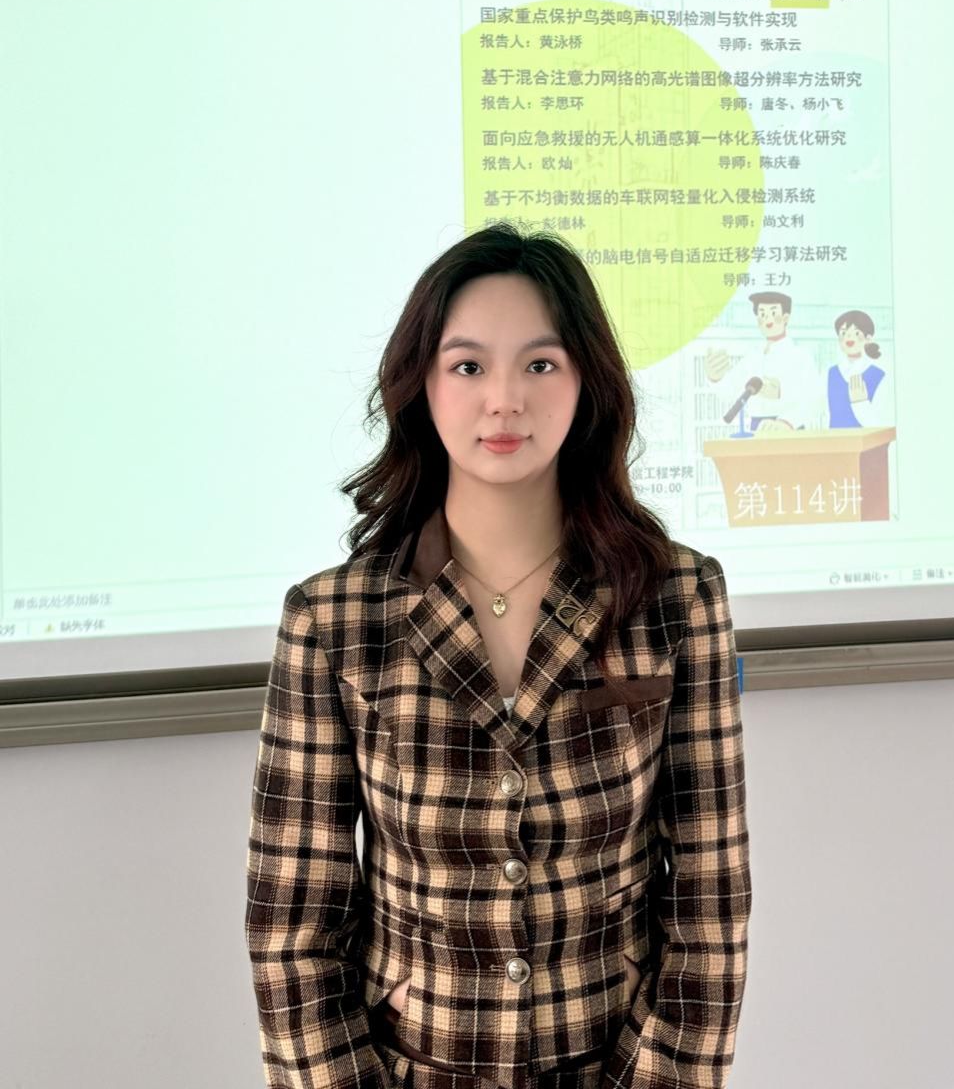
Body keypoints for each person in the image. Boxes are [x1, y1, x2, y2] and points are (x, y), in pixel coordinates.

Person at [245, 221, 751, 1089]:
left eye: (540, 364)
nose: (505, 400)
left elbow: (710, 900)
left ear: (587, 381)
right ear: (423, 384)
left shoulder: (676, 596)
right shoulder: (334, 619)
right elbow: (293, 929)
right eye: (469, 366)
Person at [705, 289, 820, 434]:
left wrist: (786, 417)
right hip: (756, 430)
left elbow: (814, 398)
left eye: (773, 313)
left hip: (789, 430)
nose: (767, 319)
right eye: (762, 314)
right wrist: (715, 378)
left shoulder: (801, 356)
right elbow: (731, 392)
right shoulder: (752, 357)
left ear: (785, 318)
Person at [827, 309, 890, 429]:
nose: (849, 337)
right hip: (835, 439)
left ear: (868, 339)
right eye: (843, 333)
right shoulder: (830, 373)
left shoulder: (879, 375)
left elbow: (881, 423)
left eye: (856, 333)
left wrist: (860, 403)